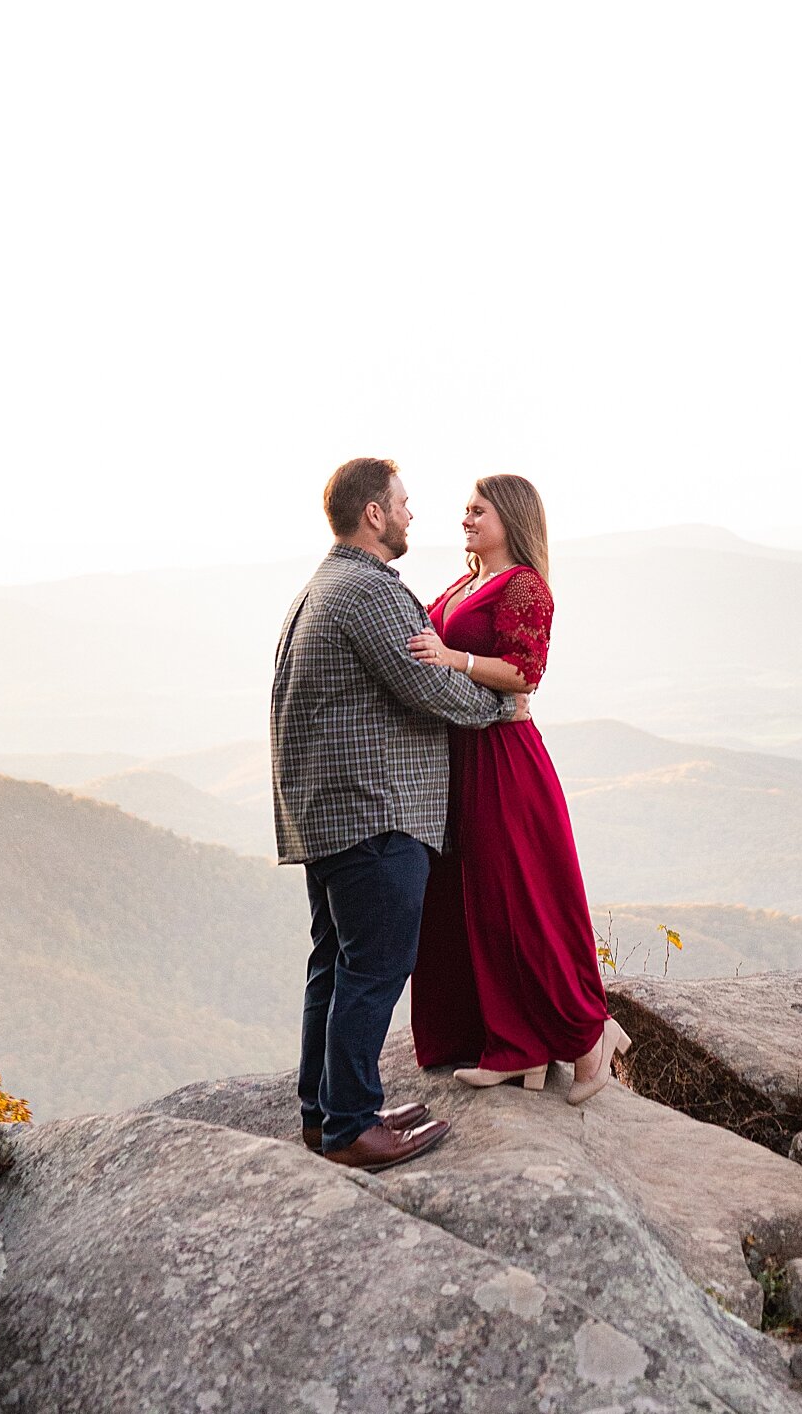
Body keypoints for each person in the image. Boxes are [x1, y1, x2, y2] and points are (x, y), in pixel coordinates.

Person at [270, 456, 531, 1171]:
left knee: (336, 965)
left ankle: (326, 1118)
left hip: (331, 816)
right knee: (373, 970)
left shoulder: (327, 584)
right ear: (375, 514)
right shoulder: (368, 591)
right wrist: (503, 705)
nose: (415, 514)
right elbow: (428, 686)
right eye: (405, 503)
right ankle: (352, 1125)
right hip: (374, 813)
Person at [406, 473, 630, 1104]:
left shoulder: (525, 585)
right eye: (466, 511)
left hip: (505, 759)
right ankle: (513, 1047)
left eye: (478, 511)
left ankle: (590, 1034)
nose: (466, 519)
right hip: (461, 756)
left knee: (522, 897)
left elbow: (525, 674)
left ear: (510, 516)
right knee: (473, 899)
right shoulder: (465, 581)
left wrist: (458, 662)